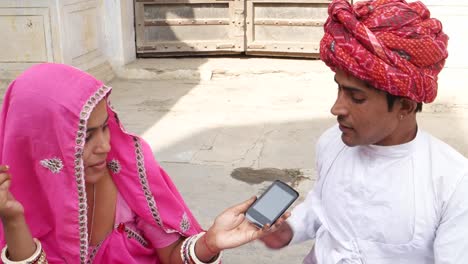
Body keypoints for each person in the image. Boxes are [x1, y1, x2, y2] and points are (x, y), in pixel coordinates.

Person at [0, 63, 288, 263]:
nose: (105, 146)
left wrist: (210, 242)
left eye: (105, 127)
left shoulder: (129, 173)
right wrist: (13, 220)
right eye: (85, 137)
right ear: (41, 144)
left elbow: (173, 256)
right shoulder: (13, 197)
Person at [260, 0, 468, 263]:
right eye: (339, 89)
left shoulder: (454, 182)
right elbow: (323, 204)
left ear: (404, 104)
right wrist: (289, 230)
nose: (337, 108)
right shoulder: (331, 143)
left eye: (356, 98)